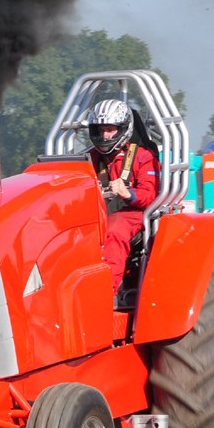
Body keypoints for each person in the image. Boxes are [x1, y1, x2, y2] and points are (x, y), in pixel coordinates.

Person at [85, 99, 160, 294]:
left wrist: (128, 193)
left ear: (123, 129)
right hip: (99, 213)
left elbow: (150, 195)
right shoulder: (88, 158)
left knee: (114, 229)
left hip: (134, 213)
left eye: (110, 130)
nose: (105, 135)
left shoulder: (143, 156)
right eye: (101, 130)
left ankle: (104, 293)